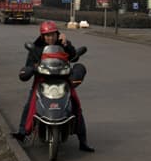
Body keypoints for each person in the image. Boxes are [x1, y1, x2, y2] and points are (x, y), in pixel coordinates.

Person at [11, 20, 94, 152]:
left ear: (57, 34)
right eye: (47, 35)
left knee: (75, 104)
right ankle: (22, 133)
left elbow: (73, 56)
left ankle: (83, 141)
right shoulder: (36, 47)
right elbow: (29, 64)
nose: (50, 37)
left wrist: (66, 44)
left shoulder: (62, 43)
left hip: (63, 79)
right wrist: (32, 68)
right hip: (42, 79)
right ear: (42, 36)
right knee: (30, 103)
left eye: (52, 34)